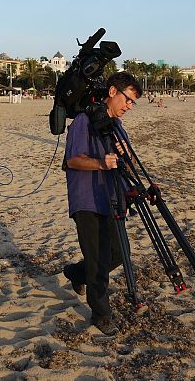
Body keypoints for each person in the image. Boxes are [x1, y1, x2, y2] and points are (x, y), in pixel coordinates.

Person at [62, 72, 143, 336]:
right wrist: (100, 163)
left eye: (132, 103)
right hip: (86, 198)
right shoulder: (83, 122)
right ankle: (101, 313)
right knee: (97, 260)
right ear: (112, 92)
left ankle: (76, 272)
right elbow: (73, 160)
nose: (129, 107)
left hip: (113, 196)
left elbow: (127, 158)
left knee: (120, 254)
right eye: (127, 100)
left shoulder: (117, 125)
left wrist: (125, 154)